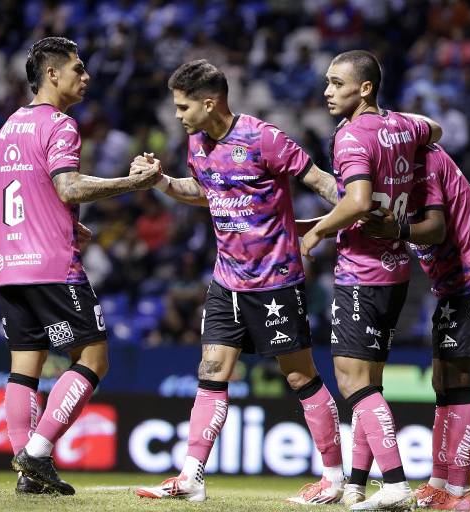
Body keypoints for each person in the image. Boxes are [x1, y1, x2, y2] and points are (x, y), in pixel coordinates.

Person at [131, 59, 346, 505]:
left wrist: (354, 206)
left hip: (275, 283)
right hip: (227, 281)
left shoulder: (264, 138)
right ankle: (191, 477)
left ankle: (333, 477)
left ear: (210, 103)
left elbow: (319, 180)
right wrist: (162, 181)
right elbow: (204, 190)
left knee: (299, 376)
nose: (177, 115)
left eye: (183, 106)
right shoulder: (196, 142)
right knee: (211, 373)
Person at [0, 36, 160, 495]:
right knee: (93, 357)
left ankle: (30, 478)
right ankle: (39, 452)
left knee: (24, 366)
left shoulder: (7, 127)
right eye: (78, 69)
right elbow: (67, 188)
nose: (85, 78)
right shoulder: (60, 124)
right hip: (52, 266)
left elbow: (14, 196)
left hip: (11, 263)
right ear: (52, 74)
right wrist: (133, 182)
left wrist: (66, 222)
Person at [299, 50, 442, 511]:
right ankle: (357, 485)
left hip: (361, 272)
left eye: (337, 83)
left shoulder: (350, 136)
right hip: (396, 269)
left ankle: (396, 483)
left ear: (364, 89)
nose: (327, 91)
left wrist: (319, 229)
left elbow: (359, 201)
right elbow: (433, 130)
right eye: (327, 82)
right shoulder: (402, 125)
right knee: (369, 385)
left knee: (351, 381)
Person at [363, 143, 470, 511]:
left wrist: (394, 227)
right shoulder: (398, 169)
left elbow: (437, 229)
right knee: (442, 382)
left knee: (461, 382)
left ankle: (460, 493)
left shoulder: (422, 159)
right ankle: (439, 483)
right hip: (451, 285)